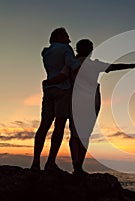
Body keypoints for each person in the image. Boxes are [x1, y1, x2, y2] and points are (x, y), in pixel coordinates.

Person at [43, 39, 135, 174]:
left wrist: (48, 82)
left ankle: (77, 167)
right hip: (91, 102)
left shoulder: (72, 64)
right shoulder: (92, 64)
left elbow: (62, 76)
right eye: (91, 48)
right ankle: (79, 166)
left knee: (75, 135)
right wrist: (132, 66)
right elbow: (114, 67)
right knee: (84, 135)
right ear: (89, 50)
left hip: (77, 101)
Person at [30, 27, 81, 172]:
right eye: (67, 36)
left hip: (48, 89)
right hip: (63, 89)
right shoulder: (66, 48)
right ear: (59, 37)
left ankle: (35, 163)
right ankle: (50, 162)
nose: (69, 40)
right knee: (59, 126)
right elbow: (73, 66)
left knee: (44, 125)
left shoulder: (46, 52)